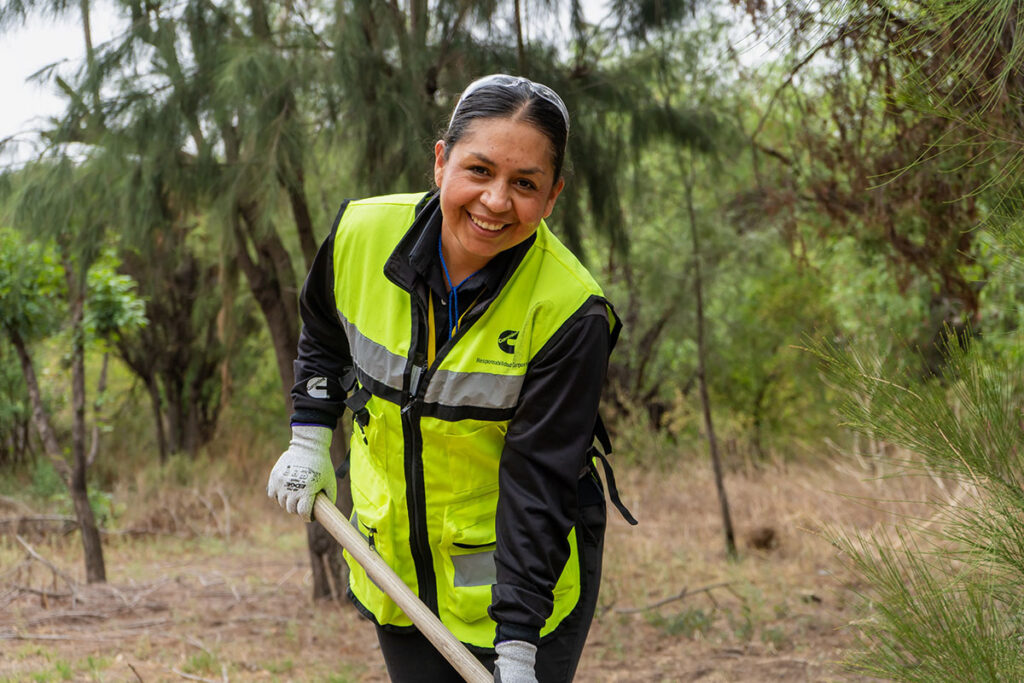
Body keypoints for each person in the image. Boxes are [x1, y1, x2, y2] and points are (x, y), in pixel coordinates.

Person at [267, 74, 635, 683]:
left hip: (522, 590)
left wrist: (518, 650)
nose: (495, 201)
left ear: (553, 196)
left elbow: (538, 487)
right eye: (479, 170)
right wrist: (308, 439)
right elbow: (323, 332)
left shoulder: (570, 311)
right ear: (441, 162)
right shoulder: (361, 234)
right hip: (395, 571)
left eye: (525, 184)